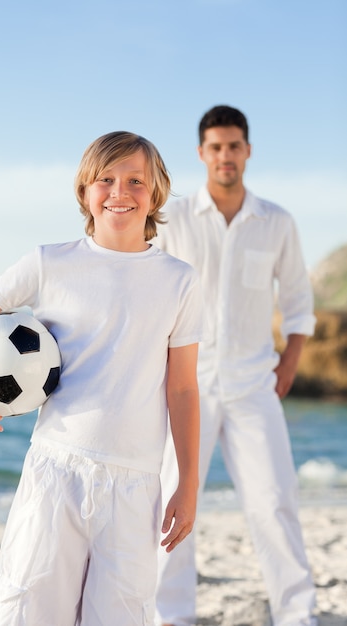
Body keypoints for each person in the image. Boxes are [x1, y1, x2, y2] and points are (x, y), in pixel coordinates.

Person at [0, 131, 206, 626]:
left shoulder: (179, 281)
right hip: (56, 468)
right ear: (85, 191)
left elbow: (183, 388)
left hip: (136, 481)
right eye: (105, 179)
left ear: (157, 193)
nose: (119, 192)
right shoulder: (50, 263)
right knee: (25, 606)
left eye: (135, 181)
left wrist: (187, 482)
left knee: (120, 615)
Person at [154, 106, 317, 626]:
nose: (226, 156)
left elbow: (297, 303)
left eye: (234, 146)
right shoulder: (173, 219)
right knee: (173, 506)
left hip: (253, 385)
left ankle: (297, 615)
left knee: (274, 503)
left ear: (248, 150)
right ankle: (169, 616)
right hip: (186, 386)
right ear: (202, 154)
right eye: (216, 147)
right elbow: (147, 291)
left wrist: (288, 362)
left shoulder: (278, 222)